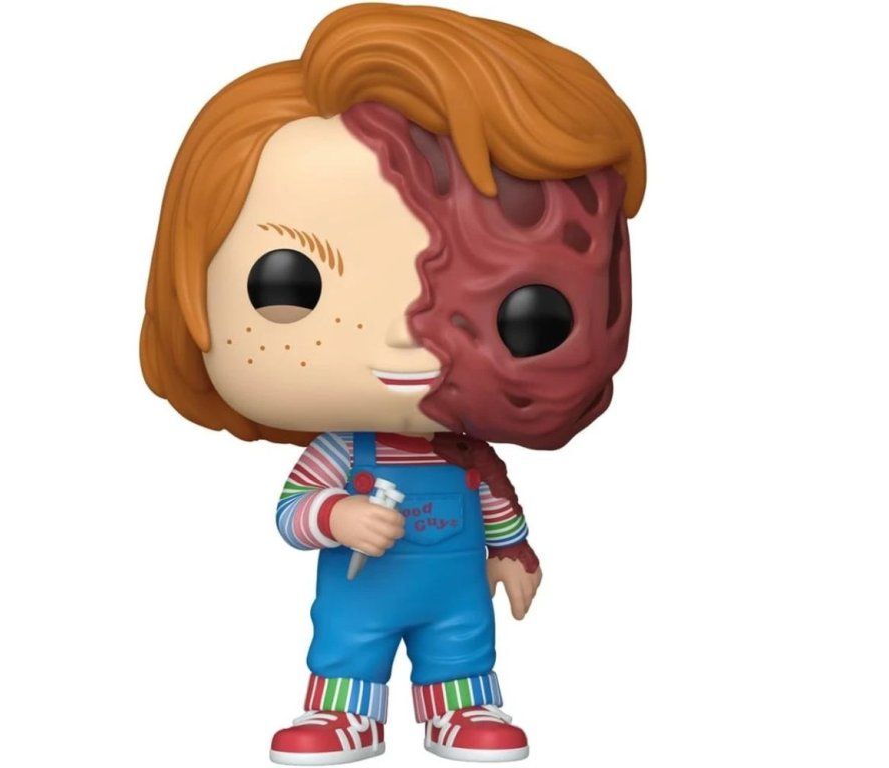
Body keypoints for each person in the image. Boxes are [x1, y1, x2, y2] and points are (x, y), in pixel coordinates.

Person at [140, 4, 645, 763]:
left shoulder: (469, 456)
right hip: (361, 587)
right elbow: (290, 512)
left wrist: (514, 556)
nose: (403, 333)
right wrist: (337, 514)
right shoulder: (343, 451)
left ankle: (461, 710)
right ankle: (345, 716)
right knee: (349, 643)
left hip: (456, 594)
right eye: (291, 283)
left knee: (461, 646)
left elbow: (498, 510)